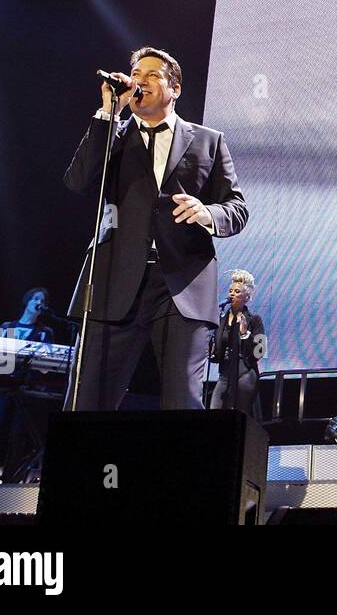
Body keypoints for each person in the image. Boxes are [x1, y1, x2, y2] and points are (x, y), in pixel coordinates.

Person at [64, 46, 249, 411]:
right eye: (136, 74)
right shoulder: (112, 135)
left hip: (181, 282)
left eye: (151, 75)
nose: (139, 81)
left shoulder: (209, 140)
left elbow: (237, 210)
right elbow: (77, 180)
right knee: (88, 401)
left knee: (183, 403)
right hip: (114, 278)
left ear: (175, 88)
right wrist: (107, 114)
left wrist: (207, 212)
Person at [0, 288, 57, 482]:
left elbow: (48, 365)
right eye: (35, 298)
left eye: (43, 300)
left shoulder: (44, 332)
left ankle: (10, 480)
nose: (39, 302)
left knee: (17, 436)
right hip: (3, 386)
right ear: (27, 301)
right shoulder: (7, 327)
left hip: (26, 388)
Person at [209, 270, 264, 418]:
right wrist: (212, 350)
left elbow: (260, 351)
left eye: (237, 291)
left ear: (246, 297)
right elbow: (216, 351)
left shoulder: (254, 319)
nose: (232, 294)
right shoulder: (221, 319)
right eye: (230, 291)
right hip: (225, 374)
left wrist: (245, 333)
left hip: (245, 373)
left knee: (239, 417)